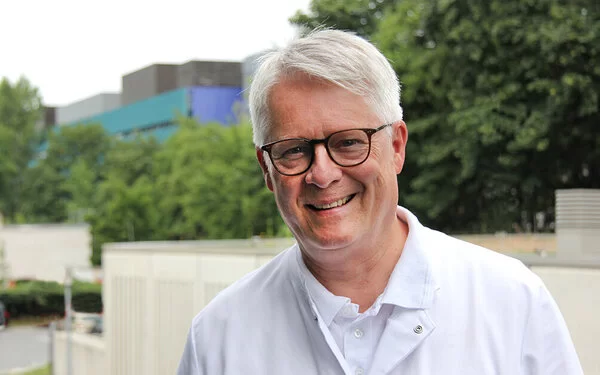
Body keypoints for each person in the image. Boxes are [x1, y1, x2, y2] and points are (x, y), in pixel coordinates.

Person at [177, 29, 583, 375]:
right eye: (294, 150)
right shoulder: (217, 339)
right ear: (266, 168)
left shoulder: (512, 302)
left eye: (349, 142)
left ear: (397, 147)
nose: (322, 174)